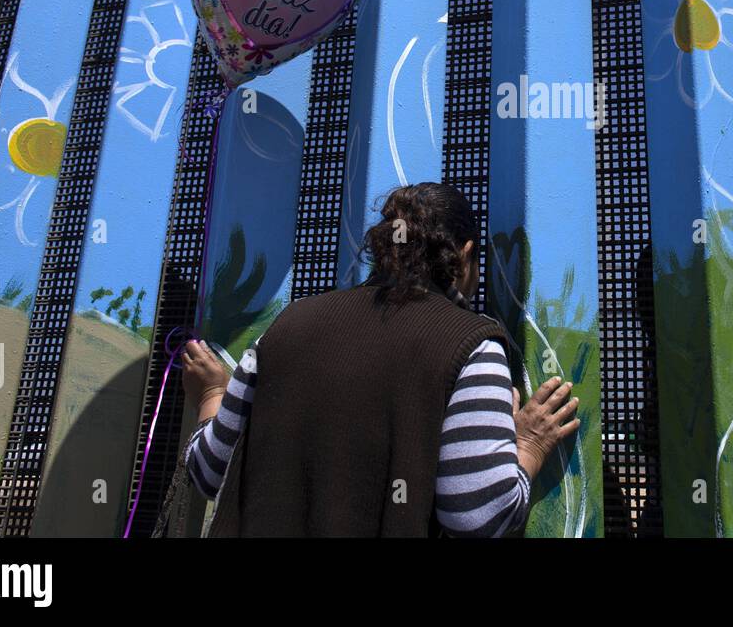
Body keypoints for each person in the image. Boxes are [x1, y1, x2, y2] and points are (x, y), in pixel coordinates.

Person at [179, 182, 580, 536]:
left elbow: (210, 470)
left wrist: (212, 393)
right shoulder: (473, 345)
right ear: (466, 255)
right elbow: (476, 514)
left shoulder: (287, 324)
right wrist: (528, 445)